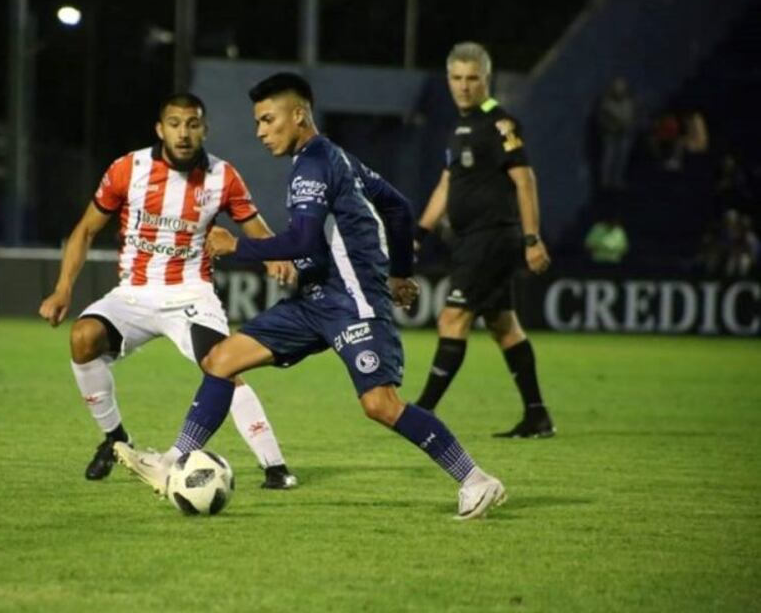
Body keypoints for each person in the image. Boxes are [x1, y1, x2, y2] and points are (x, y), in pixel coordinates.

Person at [114, 73, 507, 520]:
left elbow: (302, 241)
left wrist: (236, 246)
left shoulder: (317, 162)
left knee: (379, 405)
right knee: (222, 360)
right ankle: (170, 462)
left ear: (298, 115)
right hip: (314, 300)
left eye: (268, 119)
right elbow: (397, 204)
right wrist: (400, 271)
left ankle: (475, 480)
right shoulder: (332, 158)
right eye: (257, 122)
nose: (261, 131)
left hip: (352, 301)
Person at [38, 92, 298, 489]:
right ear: (160, 129)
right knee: (83, 337)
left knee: (223, 364)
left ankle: (275, 467)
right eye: (175, 124)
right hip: (133, 294)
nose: (183, 133)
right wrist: (62, 289)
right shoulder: (128, 169)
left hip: (191, 294)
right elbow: (85, 230)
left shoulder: (222, 176)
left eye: (192, 124)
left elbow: (255, 227)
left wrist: (275, 256)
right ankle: (115, 440)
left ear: (204, 130)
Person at [413, 42, 555, 438]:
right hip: (470, 239)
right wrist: (420, 233)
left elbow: (525, 180)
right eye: (457, 78)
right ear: (448, 80)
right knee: (504, 326)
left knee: (451, 317)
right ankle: (537, 415)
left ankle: (422, 412)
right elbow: (447, 183)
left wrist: (532, 239)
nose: (464, 86)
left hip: (492, 237)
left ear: (486, 80)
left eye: (472, 78)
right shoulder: (457, 128)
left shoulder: (499, 123)